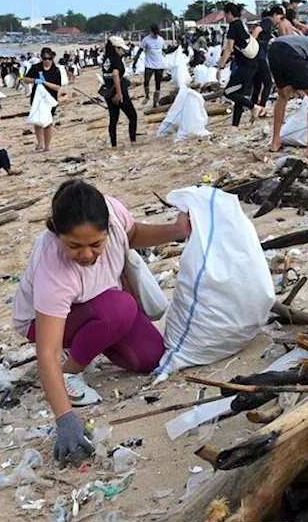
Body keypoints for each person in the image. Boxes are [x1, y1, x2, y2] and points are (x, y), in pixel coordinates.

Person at [10, 180, 190, 464]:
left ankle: (92, 338)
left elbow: (134, 234)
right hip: (45, 321)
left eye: (96, 244)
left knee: (150, 357)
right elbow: (47, 351)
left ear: (107, 229)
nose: (86, 255)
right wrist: (65, 417)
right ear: (57, 234)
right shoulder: (54, 267)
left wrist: (177, 230)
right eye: (74, 246)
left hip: (100, 304)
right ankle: (70, 373)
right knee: (119, 308)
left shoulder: (114, 215)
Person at [217, 2, 267, 127]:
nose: (225, 17)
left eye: (225, 14)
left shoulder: (234, 26)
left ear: (229, 14)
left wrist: (220, 67)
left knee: (228, 92)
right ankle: (235, 125)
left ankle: (254, 107)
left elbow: (229, 48)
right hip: (252, 64)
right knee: (238, 94)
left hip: (245, 67)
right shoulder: (242, 24)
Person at [22, 47, 63, 152]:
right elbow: (25, 79)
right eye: (44, 59)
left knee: (48, 122)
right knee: (38, 121)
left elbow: (58, 87)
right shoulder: (36, 67)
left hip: (50, 99)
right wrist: (35, 80)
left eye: (49, 59)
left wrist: (45, 83)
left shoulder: (56, 70)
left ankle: (47, 145)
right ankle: (40, 142)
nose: (47, 61)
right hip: (37, 98)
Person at [102, 36, 138, 147]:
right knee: (132, 116)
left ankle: (114, 145)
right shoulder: (116, 59)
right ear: (116, 48)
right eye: (121, 49)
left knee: (113, 119)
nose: (122, 51)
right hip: (118, 91)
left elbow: (107, 76)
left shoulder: (106, 60)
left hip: (108, 92)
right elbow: (115, 75)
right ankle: (133, 141)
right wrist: (119, 93)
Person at [133, 25, 167, 109]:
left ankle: (155, 103)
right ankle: (147, 96)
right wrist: (135, 62)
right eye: (154, 34)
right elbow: (139, 51)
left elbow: (165, 50)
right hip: (149, 65)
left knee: (158, 84)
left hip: (159, 65)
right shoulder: (146, 40)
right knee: (146, 81)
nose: (155, 36)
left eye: (156, 34)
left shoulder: (161, 40)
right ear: (151, 32)